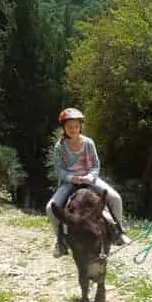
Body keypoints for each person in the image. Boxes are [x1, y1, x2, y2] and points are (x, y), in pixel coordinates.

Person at [46, 107, 129, 257]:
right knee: (50, 208)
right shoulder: (59, 147)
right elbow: (59, 170)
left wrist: (89, 177)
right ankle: (60, 240)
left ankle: (118, 232)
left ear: (80, 127)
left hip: (90, 179)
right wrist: (72, 178)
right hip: (70, 182)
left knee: (115, 197)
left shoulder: (88, 143)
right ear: (63, 127)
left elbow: (96, 165)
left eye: (76, 126)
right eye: (70, 127)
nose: (73, 129)